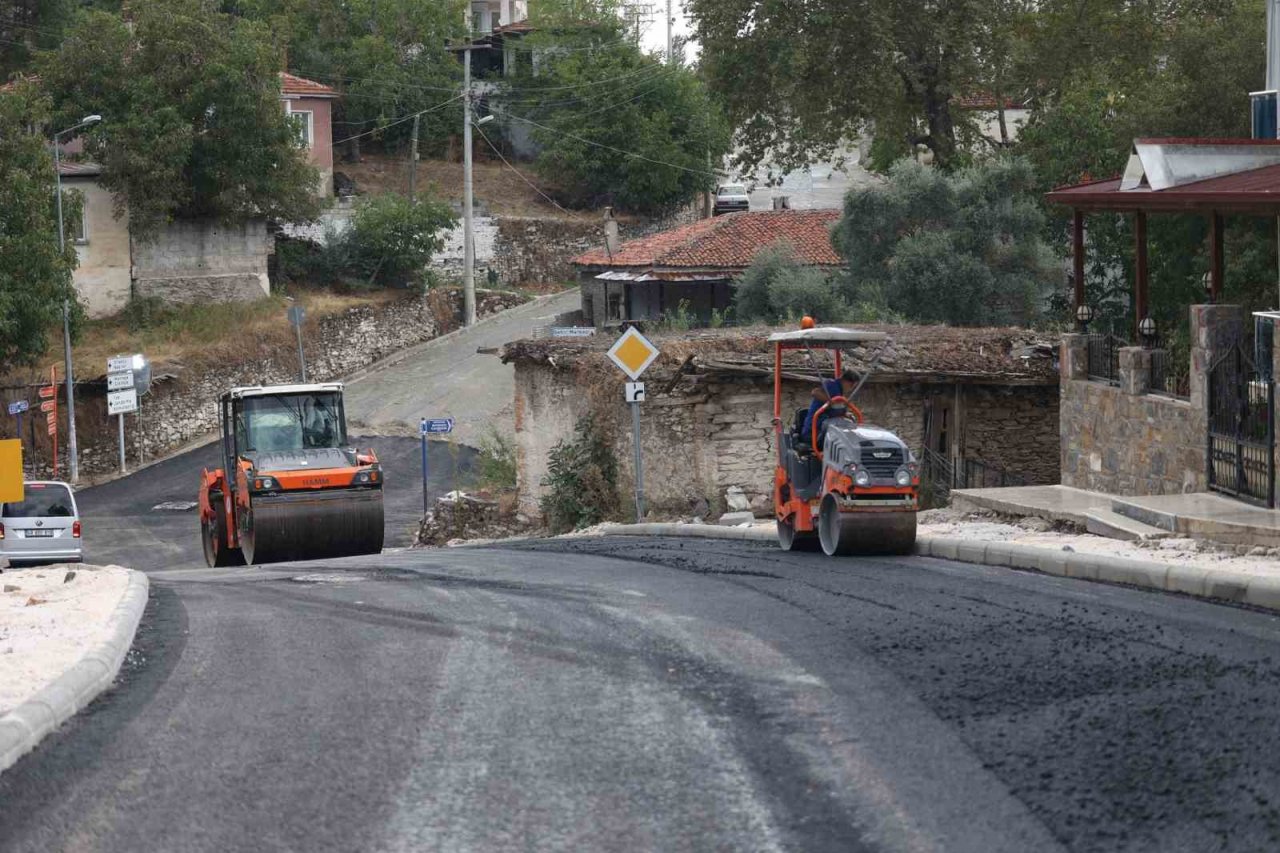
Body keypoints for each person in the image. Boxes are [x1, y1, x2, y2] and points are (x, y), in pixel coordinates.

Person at [801, 369, 857, 452]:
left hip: (826, 427)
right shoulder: (832, 385)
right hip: (815, 430)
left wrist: (845, 413)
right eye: (852, 386)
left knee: (850, 425)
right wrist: (831, 402)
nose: (851, 389)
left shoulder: (839, 391)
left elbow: (835, 409)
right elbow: (815, 392)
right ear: (848, 382)